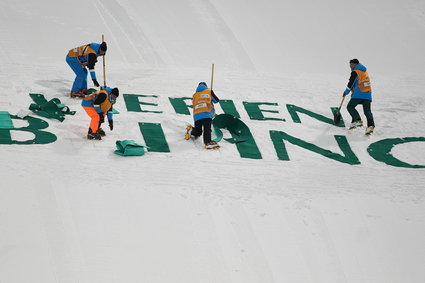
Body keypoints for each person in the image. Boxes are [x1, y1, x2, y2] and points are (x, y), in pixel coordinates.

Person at [343, 58, 375, 135]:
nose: (350, 66)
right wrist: (353, 91)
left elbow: (351, 82)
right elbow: (358, 82)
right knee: (367, 111)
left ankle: (357, 120)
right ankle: (370, 126)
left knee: (350, 107)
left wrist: (346, 92)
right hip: (367, 94)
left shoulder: (355, 72)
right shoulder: (364, 72)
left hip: (359, 94)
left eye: (351, 64)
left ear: (355, 64)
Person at [190, 82, 220, 148]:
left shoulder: (195, 94)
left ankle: (193, 133)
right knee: (207, 129)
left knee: (198, 131)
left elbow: (194, 102)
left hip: (197, 115)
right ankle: (208, 142)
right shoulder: (209, 91)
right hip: (206, 113)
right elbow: (216, 100)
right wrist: (211, 95)